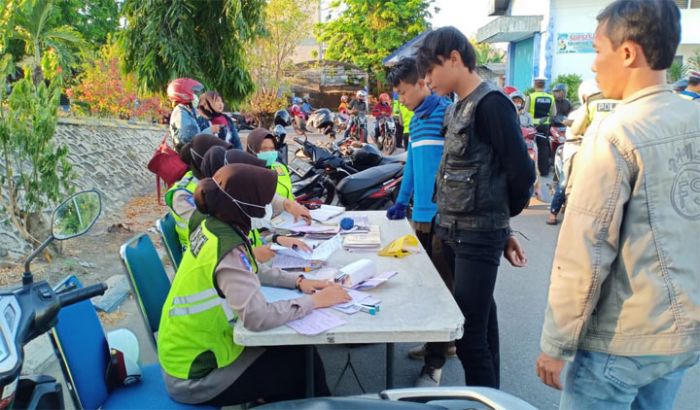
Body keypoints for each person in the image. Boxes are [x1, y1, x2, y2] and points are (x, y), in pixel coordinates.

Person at [536, 2, 700, 409]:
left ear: (627, 53)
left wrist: (556, 343)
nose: (593, 64)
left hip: (620, 341)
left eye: (597, 50)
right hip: (680, 339)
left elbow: (585, 251)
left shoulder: (616, 133)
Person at [158, 163, 351, 406]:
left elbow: (251, 269)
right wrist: (315, 301)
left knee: (298, 353)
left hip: (193, 353)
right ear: (244, 204)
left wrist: (299, 281)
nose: (269, 206)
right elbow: (256, 317)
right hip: (196, 375)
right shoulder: (226, 246)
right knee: (301, 365)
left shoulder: (215, 225)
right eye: (264, 200)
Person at [416, 26, 535, 388]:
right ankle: (493, 396)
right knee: (483, 321)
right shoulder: (456, 109)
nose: (427, 79)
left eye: (430, 70)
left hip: (477, 236)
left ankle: (483, 397)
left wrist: (502, 224)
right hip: (453, 232)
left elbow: (521, 172)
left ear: (454, 58)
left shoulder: (491, 104)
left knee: (469, 336)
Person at [384, 57, 455, 387]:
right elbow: (412, 163)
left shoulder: (447, 114)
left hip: (445, 218)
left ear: (422, 82)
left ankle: (434, 365)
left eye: (402, 92)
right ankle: (438, 343)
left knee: (441, 290)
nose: (400, 99)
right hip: (421, 216)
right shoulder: (417, 120)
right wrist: (401, 201)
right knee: (427, 285)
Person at [200, 146, 312, 262]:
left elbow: (255, 240)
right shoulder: (223, 233)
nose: (263, 203)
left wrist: (276, 239)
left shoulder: (235, 215)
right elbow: (234, 263)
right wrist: (251, 256)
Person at [545, 80, 620, 226]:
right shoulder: (615, 105)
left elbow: (576, 128)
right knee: (565, 180)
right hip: (581, 146)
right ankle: (553, 212)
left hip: (593, 146)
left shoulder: (591, 106)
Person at [166, 134, 232, 250]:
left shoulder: (215, 180)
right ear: (203, 161)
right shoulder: (182, 194)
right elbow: (211, 227)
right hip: (201, 253)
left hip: (225, 246)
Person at [246, 127, 294, 200]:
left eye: (272, 149)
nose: (269, 153)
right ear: (252, 150)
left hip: (290, 211)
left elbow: (290, 193)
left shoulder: (280, 167)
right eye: (263, 149)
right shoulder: (246, 175)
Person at [167, 78, 211, 149]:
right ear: (183, 94)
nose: (195, 96)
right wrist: (212, 130)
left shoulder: (188, 111)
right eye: (193, 93)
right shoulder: (180, 113)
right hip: (187, 156)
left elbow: (198, 126)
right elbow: (191, 139)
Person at [526, 77, 557, 176]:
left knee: (530, 147)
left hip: (532, 126)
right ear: (544, 85)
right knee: (543, 148)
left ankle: (531, 170)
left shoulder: (531, 97)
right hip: (544, 125)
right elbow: (554, 113)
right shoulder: (551, 97)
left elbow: (525, 112)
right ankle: (544, 171)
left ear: (535, 85)